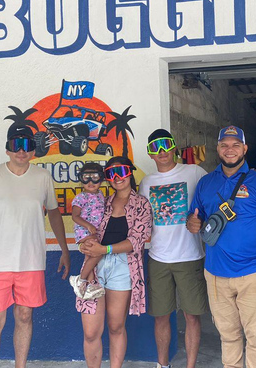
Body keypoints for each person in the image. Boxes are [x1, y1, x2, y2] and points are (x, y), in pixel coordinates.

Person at [0, 124, 70, 368]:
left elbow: (54, 214)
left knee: (24, 316)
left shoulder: (43, 177)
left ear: (34, 150)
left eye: (27, 145)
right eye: (16, 144)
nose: (21, 151)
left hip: (30, 262)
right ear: (7, 149)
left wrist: (64, 250)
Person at [187, 125, 256, 368]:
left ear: (245, 148)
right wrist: (193, 223)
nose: (230, 150)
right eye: (224, 145)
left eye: (235, 145)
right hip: (215, 274)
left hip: (254, 272)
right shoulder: (206, 183)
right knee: (228, 336)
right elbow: (194, 219)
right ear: (218, 149)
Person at [139, 129, 208, 368]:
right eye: (155, 148)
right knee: (161, 316)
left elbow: (214, 198)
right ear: (150, 154)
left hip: (190, 256)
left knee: (192, 315)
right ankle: (162, 365)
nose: (161, 152)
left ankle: (190, 365)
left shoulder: (195, 172)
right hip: (158, 258)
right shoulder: (147, 182)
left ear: (173, 147)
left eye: (165, 145)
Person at [76, 156, 152, 368]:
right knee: (91, 332)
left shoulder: (142, 204)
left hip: (123, 267)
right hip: (94, 265)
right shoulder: (102, 201)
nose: (117, 177)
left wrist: (105, 249)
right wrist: (86, 245)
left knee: (116, 326)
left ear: (130, 172)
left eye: (122, 171)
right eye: (111, 173)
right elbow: (86, 227)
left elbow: (137, 240)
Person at [69, 162, 107, 300]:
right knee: (97, 253)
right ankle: (80, 279)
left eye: (95, 177)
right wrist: (88, 226)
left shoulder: (101, 195)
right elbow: (75, 216)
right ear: (81, 179)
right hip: (84, 232)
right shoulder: (81, 197)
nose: (90, 182)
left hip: (95, 233)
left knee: (90, 256)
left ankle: (91, 285)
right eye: (86, 177)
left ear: (101, 179)